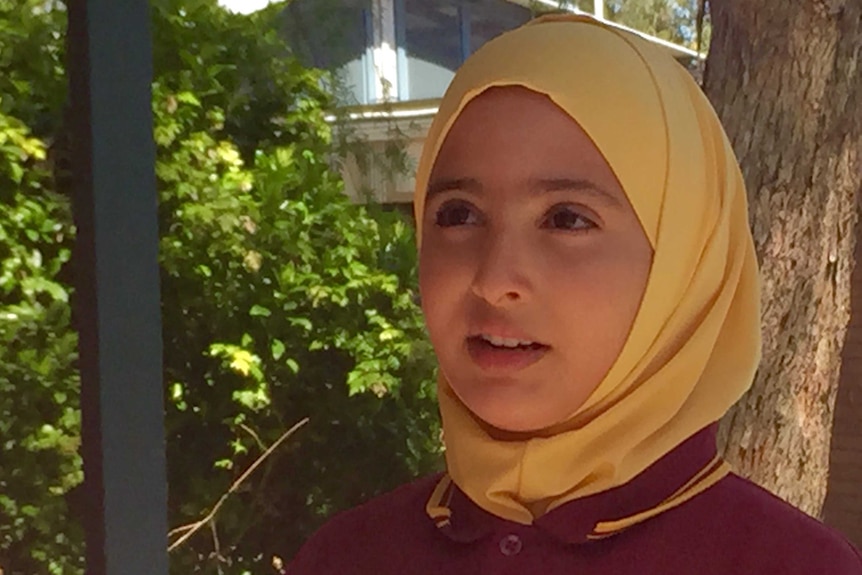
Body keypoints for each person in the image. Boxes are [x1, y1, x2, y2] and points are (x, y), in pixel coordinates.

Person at [287, 13, 862, 574]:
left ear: (683, 263)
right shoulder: (347, 557)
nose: (495, 279)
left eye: (566, 219)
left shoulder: (790, 565)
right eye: (458, 214)